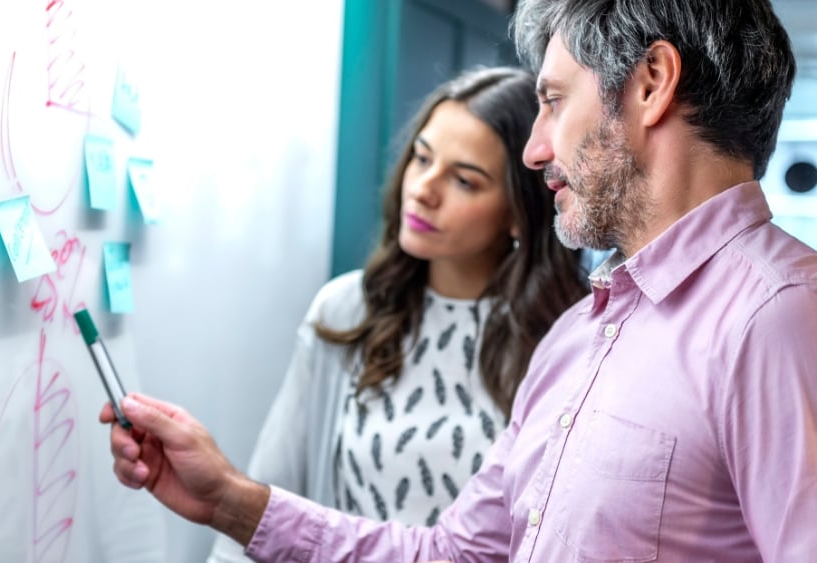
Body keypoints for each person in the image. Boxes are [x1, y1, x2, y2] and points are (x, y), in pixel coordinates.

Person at [102, 0, 817, 560]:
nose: (537, 149)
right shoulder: (579, 337)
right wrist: (226, 498)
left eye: (555, 100)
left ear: (652, 84)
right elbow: (459, 552)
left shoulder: (783, 316)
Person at [207, 66, 589, 562]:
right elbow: (269, 494)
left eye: (464, 180)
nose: (423, 189)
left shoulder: (570, 339)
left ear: (518, 210)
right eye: (422, 159)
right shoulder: (348, 310)